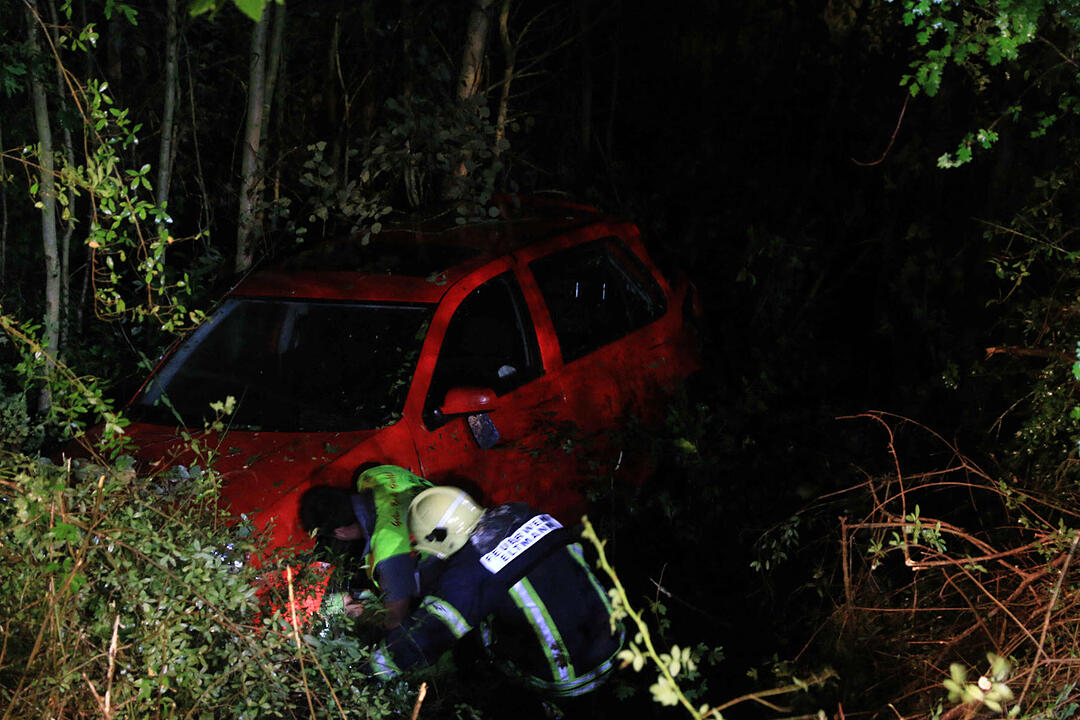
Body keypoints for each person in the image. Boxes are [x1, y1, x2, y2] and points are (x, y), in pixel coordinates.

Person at [369, 486, 624, 702]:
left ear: (441, 538)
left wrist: (372, 668)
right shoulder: (521, 512)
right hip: (616, 641)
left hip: (568, 676)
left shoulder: (468, 574)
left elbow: (429, 634)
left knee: (471, 649)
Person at [299, 463, 431, 628]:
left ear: (340, 532)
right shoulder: (373, 475)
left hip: (449, 576)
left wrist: (357, 614)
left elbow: (396, 620)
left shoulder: (388, 554)